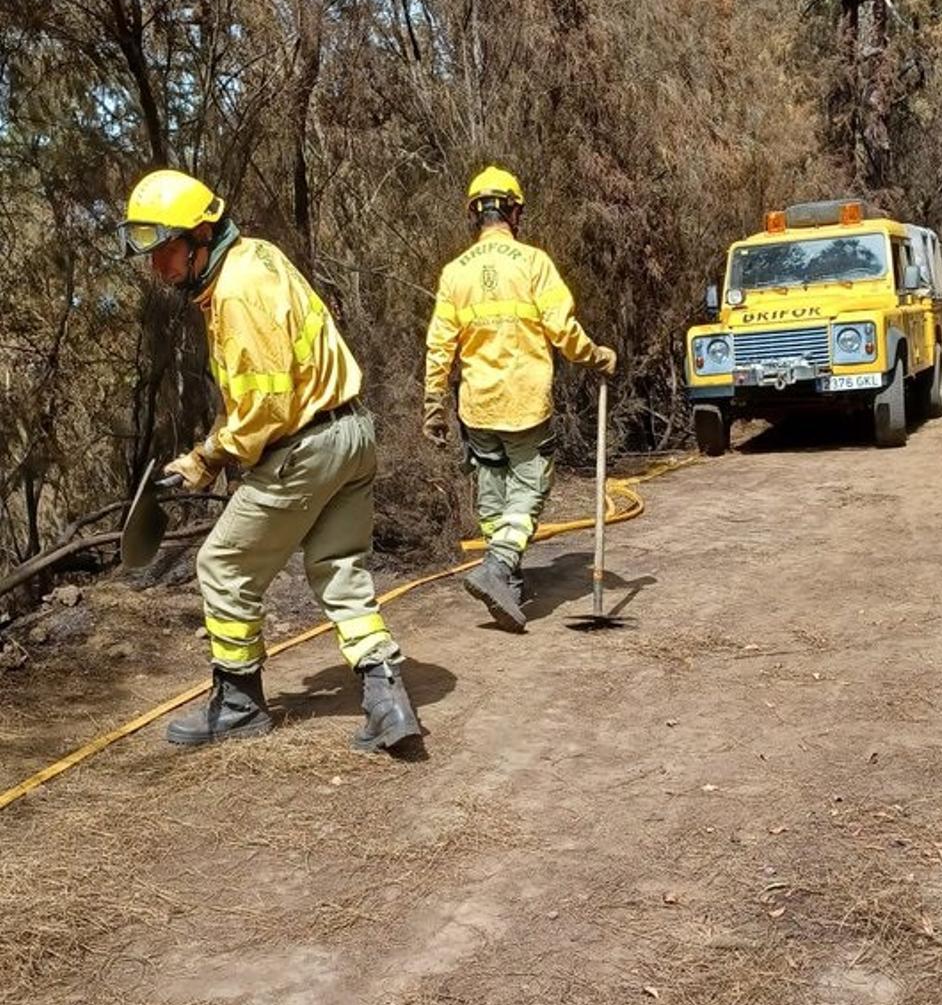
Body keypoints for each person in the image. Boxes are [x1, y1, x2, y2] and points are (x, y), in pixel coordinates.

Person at [117, 167, 419, 752]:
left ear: (202, 237)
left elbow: (267, 408)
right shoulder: (257, 256)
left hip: (304, 446)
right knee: (339, 569)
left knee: (223, 565)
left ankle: (237, 703)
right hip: (352, 431)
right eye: (152, 256)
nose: (160, 268)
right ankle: (388, 701)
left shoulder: (234, 292)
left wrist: (208, 457)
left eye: (169, 252)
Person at [422, 166, 615, 632]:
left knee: (492, 489)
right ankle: (498, 566)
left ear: (475, 215)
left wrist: (433, 403)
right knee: (528, 489)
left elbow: (439, 344)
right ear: (514, 210)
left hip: (478, 407)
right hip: (524, 403)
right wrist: (596, 357)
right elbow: (562, 330)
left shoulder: (454, 273)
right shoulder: (533, 263)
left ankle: (506, 579)